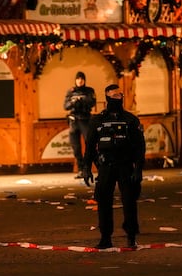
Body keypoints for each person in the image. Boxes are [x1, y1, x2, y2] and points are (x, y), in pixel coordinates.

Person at [82, 84, 146, 249]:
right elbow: (90, 146)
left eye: (120, 95)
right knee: (103, 202)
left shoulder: (130, 120)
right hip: (106, 167)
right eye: (115, 96)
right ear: (107, 97)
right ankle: (105, 237)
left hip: (126, 166)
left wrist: (138, 169)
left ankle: (131, 236)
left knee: (129, 202)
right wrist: (86, 168)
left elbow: (140, 147)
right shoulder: (98, 120)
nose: (118, 98)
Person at [63, 71, 96, 178]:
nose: (80, 81)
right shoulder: (71, 91)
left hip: (85, 120)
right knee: (76, 147)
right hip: (74, 121)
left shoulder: (89, 91)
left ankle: (92, 167)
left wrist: (82, 100)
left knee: (90, 144)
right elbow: (66, 106)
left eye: (82, 79)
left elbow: (92, 102)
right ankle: (81, 170)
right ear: (75, 80)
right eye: (78, 79)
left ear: (84, 80)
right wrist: (73, 102)